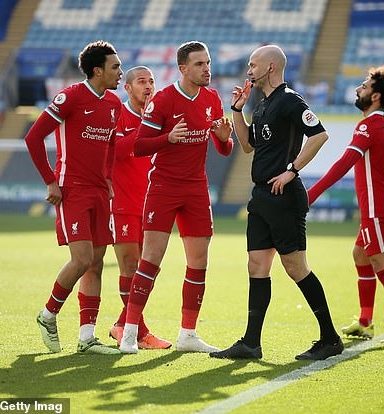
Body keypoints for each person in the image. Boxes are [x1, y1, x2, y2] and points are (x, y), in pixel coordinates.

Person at [210, 44, 343, 360]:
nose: (249, 70)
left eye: (253, 65)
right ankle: (251, 343)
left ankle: (330, 338)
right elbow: (246, 146)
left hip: (284, 197)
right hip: (261, 197)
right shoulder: (262, 105)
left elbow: (319, 135)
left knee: (295, 266)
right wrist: (238, 111)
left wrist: (292, 170)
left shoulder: (290, 101)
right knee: (256, 265)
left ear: (271, 67)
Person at [119, 41, 234, 354]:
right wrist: (167, 138)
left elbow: (223, 148)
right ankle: (129, 332)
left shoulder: (212, 98)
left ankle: (188, 334)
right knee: (151, 260)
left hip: (196, 188)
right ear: (183, 69)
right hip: (164, 188)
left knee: (199, 262)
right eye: (199, 64)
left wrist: (224, 140)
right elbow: (140, 146)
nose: (206, 69)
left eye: (208, 63)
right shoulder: (164, 100)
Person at [306, 66, 384, 345]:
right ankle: (365, 322)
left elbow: (344, 163)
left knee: (382, 263)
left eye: (364, 86)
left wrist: (310, 195)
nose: (359, 89)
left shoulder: (370, 125)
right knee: (360, 255)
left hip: (377, 206)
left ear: (376, 96)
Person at [24, 40, 123, 355]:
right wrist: (51, 181)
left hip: (97, 191)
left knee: (95, 263)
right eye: (115, 67)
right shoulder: (70, 97)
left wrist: (107, 178)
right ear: (98, 71)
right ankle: (48, 315)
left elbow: (108, 146)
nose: (120, 72)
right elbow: (33, 137)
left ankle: (86, 338)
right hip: (73, 189)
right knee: (81, 259)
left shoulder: (114, 104)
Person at [108, 66, 172, 350]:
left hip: (151, 203)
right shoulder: (118, 115)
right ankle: (138, 331)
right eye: (142, 82)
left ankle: (123, 325)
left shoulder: (158, 117)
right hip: (121, 203)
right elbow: (117, 151)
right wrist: (145, 127)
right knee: (131, 267)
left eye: (152, 82)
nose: (148, 86)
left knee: (150, 268)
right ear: (128, 88)